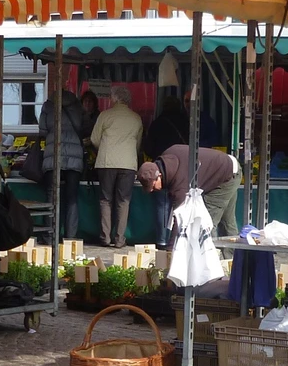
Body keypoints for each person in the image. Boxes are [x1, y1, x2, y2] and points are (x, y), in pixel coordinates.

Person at [138, 145, 241, 241]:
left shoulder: (180, 184)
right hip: (228, 166)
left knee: (206, 224)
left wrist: (171, 250)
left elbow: (180, 221)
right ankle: (232, 254)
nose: (151, 190)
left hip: (225, 175)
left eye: (152, 186)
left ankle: (211, 254)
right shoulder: (167, 158)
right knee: (228, 222)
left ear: (159, 176)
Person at [90, 86, 143, 248]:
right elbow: (138, 144)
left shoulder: (105, 115)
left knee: (105, 200)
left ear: (114, 99)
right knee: (123, 201)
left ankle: (105, 237)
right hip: (128, 164)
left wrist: (104, 149)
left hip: (107, 162)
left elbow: (94, 139)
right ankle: (120, 239)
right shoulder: (136, 118)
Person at [36, 81, 85, 239]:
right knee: (72, 198)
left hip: (53, 154)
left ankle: (50, 236)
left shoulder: (48, 106)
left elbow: (42, 130)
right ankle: (70, 238)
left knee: (51, 195)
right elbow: (85, 128)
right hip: (75, 155)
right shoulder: (77, 106)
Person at [142, 96, 190, 248]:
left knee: (162, 206)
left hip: (160, 169)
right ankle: (178, 241)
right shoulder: (186, 122)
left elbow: (148, 147)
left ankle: (162, 240)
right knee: (180, 206)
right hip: (182, 169)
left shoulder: (158, 123)